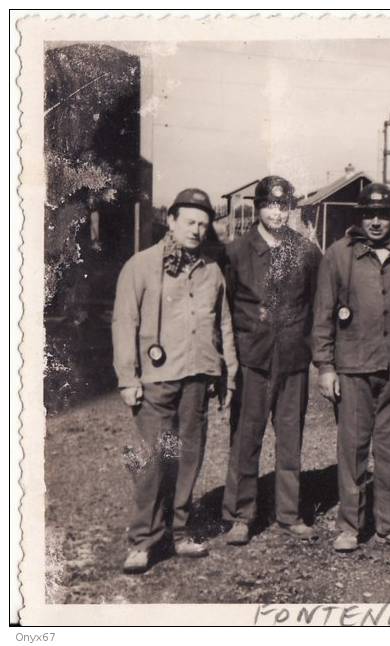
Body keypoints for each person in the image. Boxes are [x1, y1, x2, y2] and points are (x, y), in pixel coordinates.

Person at [112, 187, 237, 574]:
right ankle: (143, 539)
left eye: (204, 224)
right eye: (190, 222)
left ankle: (179, 531)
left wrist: (227, 373)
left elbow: (224, 324)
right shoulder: (141, 265)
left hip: (197, 378)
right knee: (151, 460)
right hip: (156, 381)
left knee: (186, 457)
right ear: (171, 220)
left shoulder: (211, 270)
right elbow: (124, 323)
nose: (197, 230)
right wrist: (127, 378)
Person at [312, 183, 390, 552]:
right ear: (359, 217)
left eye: (384, 215)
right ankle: (350, 525)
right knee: (353, 447)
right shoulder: (338, 255)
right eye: (369, 215)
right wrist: (326, 367)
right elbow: (323, 314)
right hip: (354, 366)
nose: (376, 222)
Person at [221, 176, 321, 545]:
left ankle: (289, 514)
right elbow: (224, 308)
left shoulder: (306, 252)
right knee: (246, 438)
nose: (277, 213)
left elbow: (318, 303)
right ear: (257, 207)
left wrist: (311, 347)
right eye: (270, 206)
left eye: (283, 206)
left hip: (293, 360)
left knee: (290, 439)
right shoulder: (235, 252)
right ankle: (241, 516)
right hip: (253, 361)